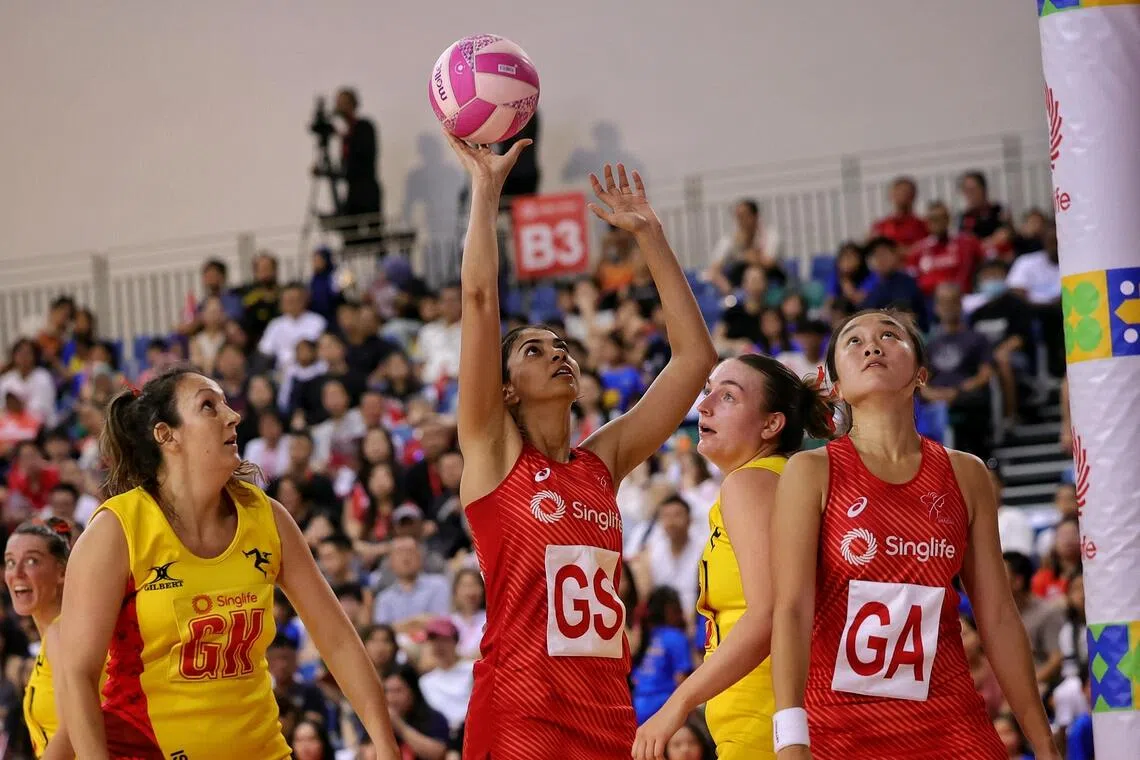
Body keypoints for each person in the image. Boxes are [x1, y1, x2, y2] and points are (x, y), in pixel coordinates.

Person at [445, 128, 717, 760]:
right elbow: (479, 299)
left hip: (607, 712)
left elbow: (695, 360)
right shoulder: (492, 452)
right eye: (533, 351)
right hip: (522, 710)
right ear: (505, 388)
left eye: (561, 346)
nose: (556, 354)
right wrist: (485, 190)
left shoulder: (601, 462)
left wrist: (649, 235)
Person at [56, 367, 400, 759]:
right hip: (144, 748)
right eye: (208, 406)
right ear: (167, 435)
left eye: (226, 404)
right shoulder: (117, 530)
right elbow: (78, 675)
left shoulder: (268, 518)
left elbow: (337, 640)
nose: (233, 415)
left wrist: (386, 746)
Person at [769, 309, 1058, 759]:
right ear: (836, 386)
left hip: (950, 719)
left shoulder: (966, 473)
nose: (871, 345)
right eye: (853, 340)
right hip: (840, 726)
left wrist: (1044, 744)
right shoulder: (810, 471)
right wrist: (790, 737)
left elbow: (999, 617)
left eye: (889, 335)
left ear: (921, 373)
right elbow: (791, 609)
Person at [633, 355, 834, 759]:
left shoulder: (751, 482)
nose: (704, 406)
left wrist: (677, 703)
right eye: (708, 392)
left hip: (764, 718)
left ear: (771, 424)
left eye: (728, 396)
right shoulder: (776, 478)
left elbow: (767, 614)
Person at [5, 518, 76, 758]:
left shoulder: (63, 633)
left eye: (32, 561)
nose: (17, 573)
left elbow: (71, 733)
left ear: (62, 572)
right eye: (10, 562)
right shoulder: (51, 638)